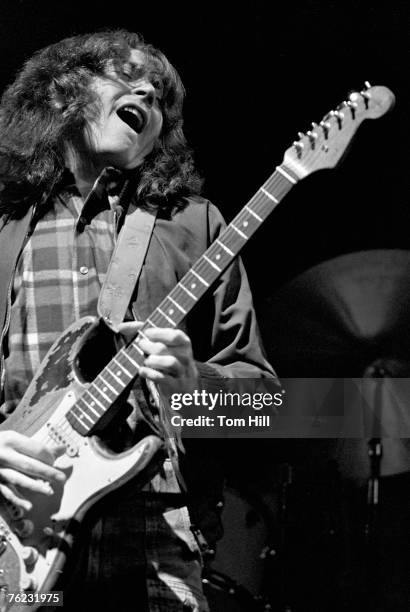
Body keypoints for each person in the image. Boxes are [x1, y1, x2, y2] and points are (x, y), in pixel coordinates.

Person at [0, 30, 276, 611]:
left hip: (158, 524)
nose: (148, 92)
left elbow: (265, 407)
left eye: (161, 99)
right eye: (127, 77)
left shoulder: (196, 225)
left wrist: (196, 388)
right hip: (16, 532)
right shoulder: (2, 228)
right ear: (61, 93)